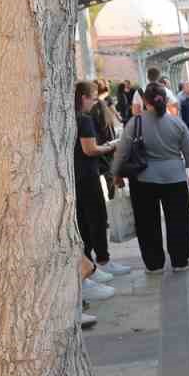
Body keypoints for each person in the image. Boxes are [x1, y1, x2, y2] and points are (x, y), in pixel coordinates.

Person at [111, 83, 189, 274]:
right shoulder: (177, 123)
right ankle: (180, 261)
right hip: (174, 179)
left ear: (145, 101)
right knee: (178, 221)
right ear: (165, 100)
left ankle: (154, 264)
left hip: (143, 181)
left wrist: (116, 175)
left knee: (146, 223)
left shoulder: (135, 123)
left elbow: (121, 152)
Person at [75, 81, 123, 284]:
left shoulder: (69, 117)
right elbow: (89, 149)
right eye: (93, 99)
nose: (95, 103)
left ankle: (89, 265)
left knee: (84, 222)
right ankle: (102, 260)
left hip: (75, 176)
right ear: (84, 98)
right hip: (87, 175)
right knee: (97, 217)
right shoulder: (83, 120)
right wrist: (110, 146)